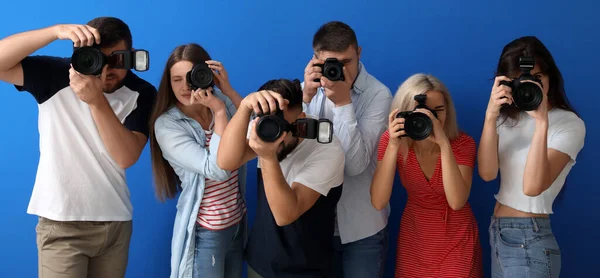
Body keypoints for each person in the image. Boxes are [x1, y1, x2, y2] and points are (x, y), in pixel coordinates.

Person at [0, 17, 157, 277]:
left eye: (117, 61)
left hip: (115, 223)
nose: (107, 72)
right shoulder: (55, 75)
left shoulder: (142, 93)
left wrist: (96, 102)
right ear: (81, 56)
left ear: (131, 56)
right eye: (99, 60)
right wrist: (54, 31)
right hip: (61, 223)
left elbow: (126, 156)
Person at [478, 36, 586, 278]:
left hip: (529, 238)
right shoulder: (507, 118)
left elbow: (532, 186)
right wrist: (490, 116)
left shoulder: (569, 124)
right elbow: (487, 173)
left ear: (550, 78)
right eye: (519, 80)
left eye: (537, 79)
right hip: (498, 232)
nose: (529, 84)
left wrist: (542, 121)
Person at [216, 78, 345, 278]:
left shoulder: (326, 148)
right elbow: (226, 161)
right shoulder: (262, 129)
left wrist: (267, 156)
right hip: (260, 263)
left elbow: (286, 214)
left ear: (301, 119)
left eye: (284, 126)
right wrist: (244, 109)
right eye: (270, 124)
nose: (278, 135)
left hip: (307, 269)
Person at [301, 21, 392, 277]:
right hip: (316, 225)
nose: (340, 70)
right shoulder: (308, 93)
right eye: (332, 62)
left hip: (362, 228)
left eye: (347, 61)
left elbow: (353, 166)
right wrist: (304, 100)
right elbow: (294, 155)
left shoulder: (379, 95)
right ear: (315, 60)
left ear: (359, 53)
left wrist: (343, 103)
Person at [370, 73, 483, 277]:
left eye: (437, 111)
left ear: (447, 112)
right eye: (421, 113)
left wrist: (443, 144)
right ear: (404, 112)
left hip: (456, 237)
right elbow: (378, 201)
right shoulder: (391, 141)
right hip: (416, 236)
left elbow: (457, 201)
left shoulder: (463, 143)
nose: (429, 118)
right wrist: (394, 145)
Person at [149, 43, 246, 278]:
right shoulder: (167, 125)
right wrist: (221, 112)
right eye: (176, 79)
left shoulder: (219, 100)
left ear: (205, 75)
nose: (184, 87)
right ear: (168, 82)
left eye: (190, 77)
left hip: (237, 222)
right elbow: (218, 169)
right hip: (207, 232)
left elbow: (251, 130)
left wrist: (228, 90)